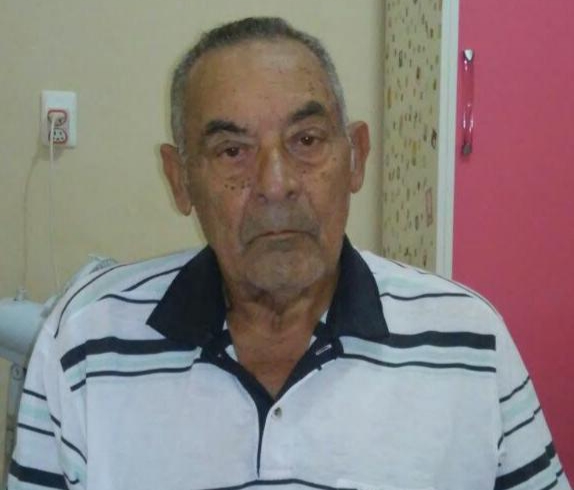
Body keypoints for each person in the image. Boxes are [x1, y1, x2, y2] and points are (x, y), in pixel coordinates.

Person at [8, 16, 570, 490]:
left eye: (306, 141)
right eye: (232, 150)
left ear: (356, 156)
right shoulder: (83, 345)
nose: (275, 184)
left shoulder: (470, 341)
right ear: (180, 180)